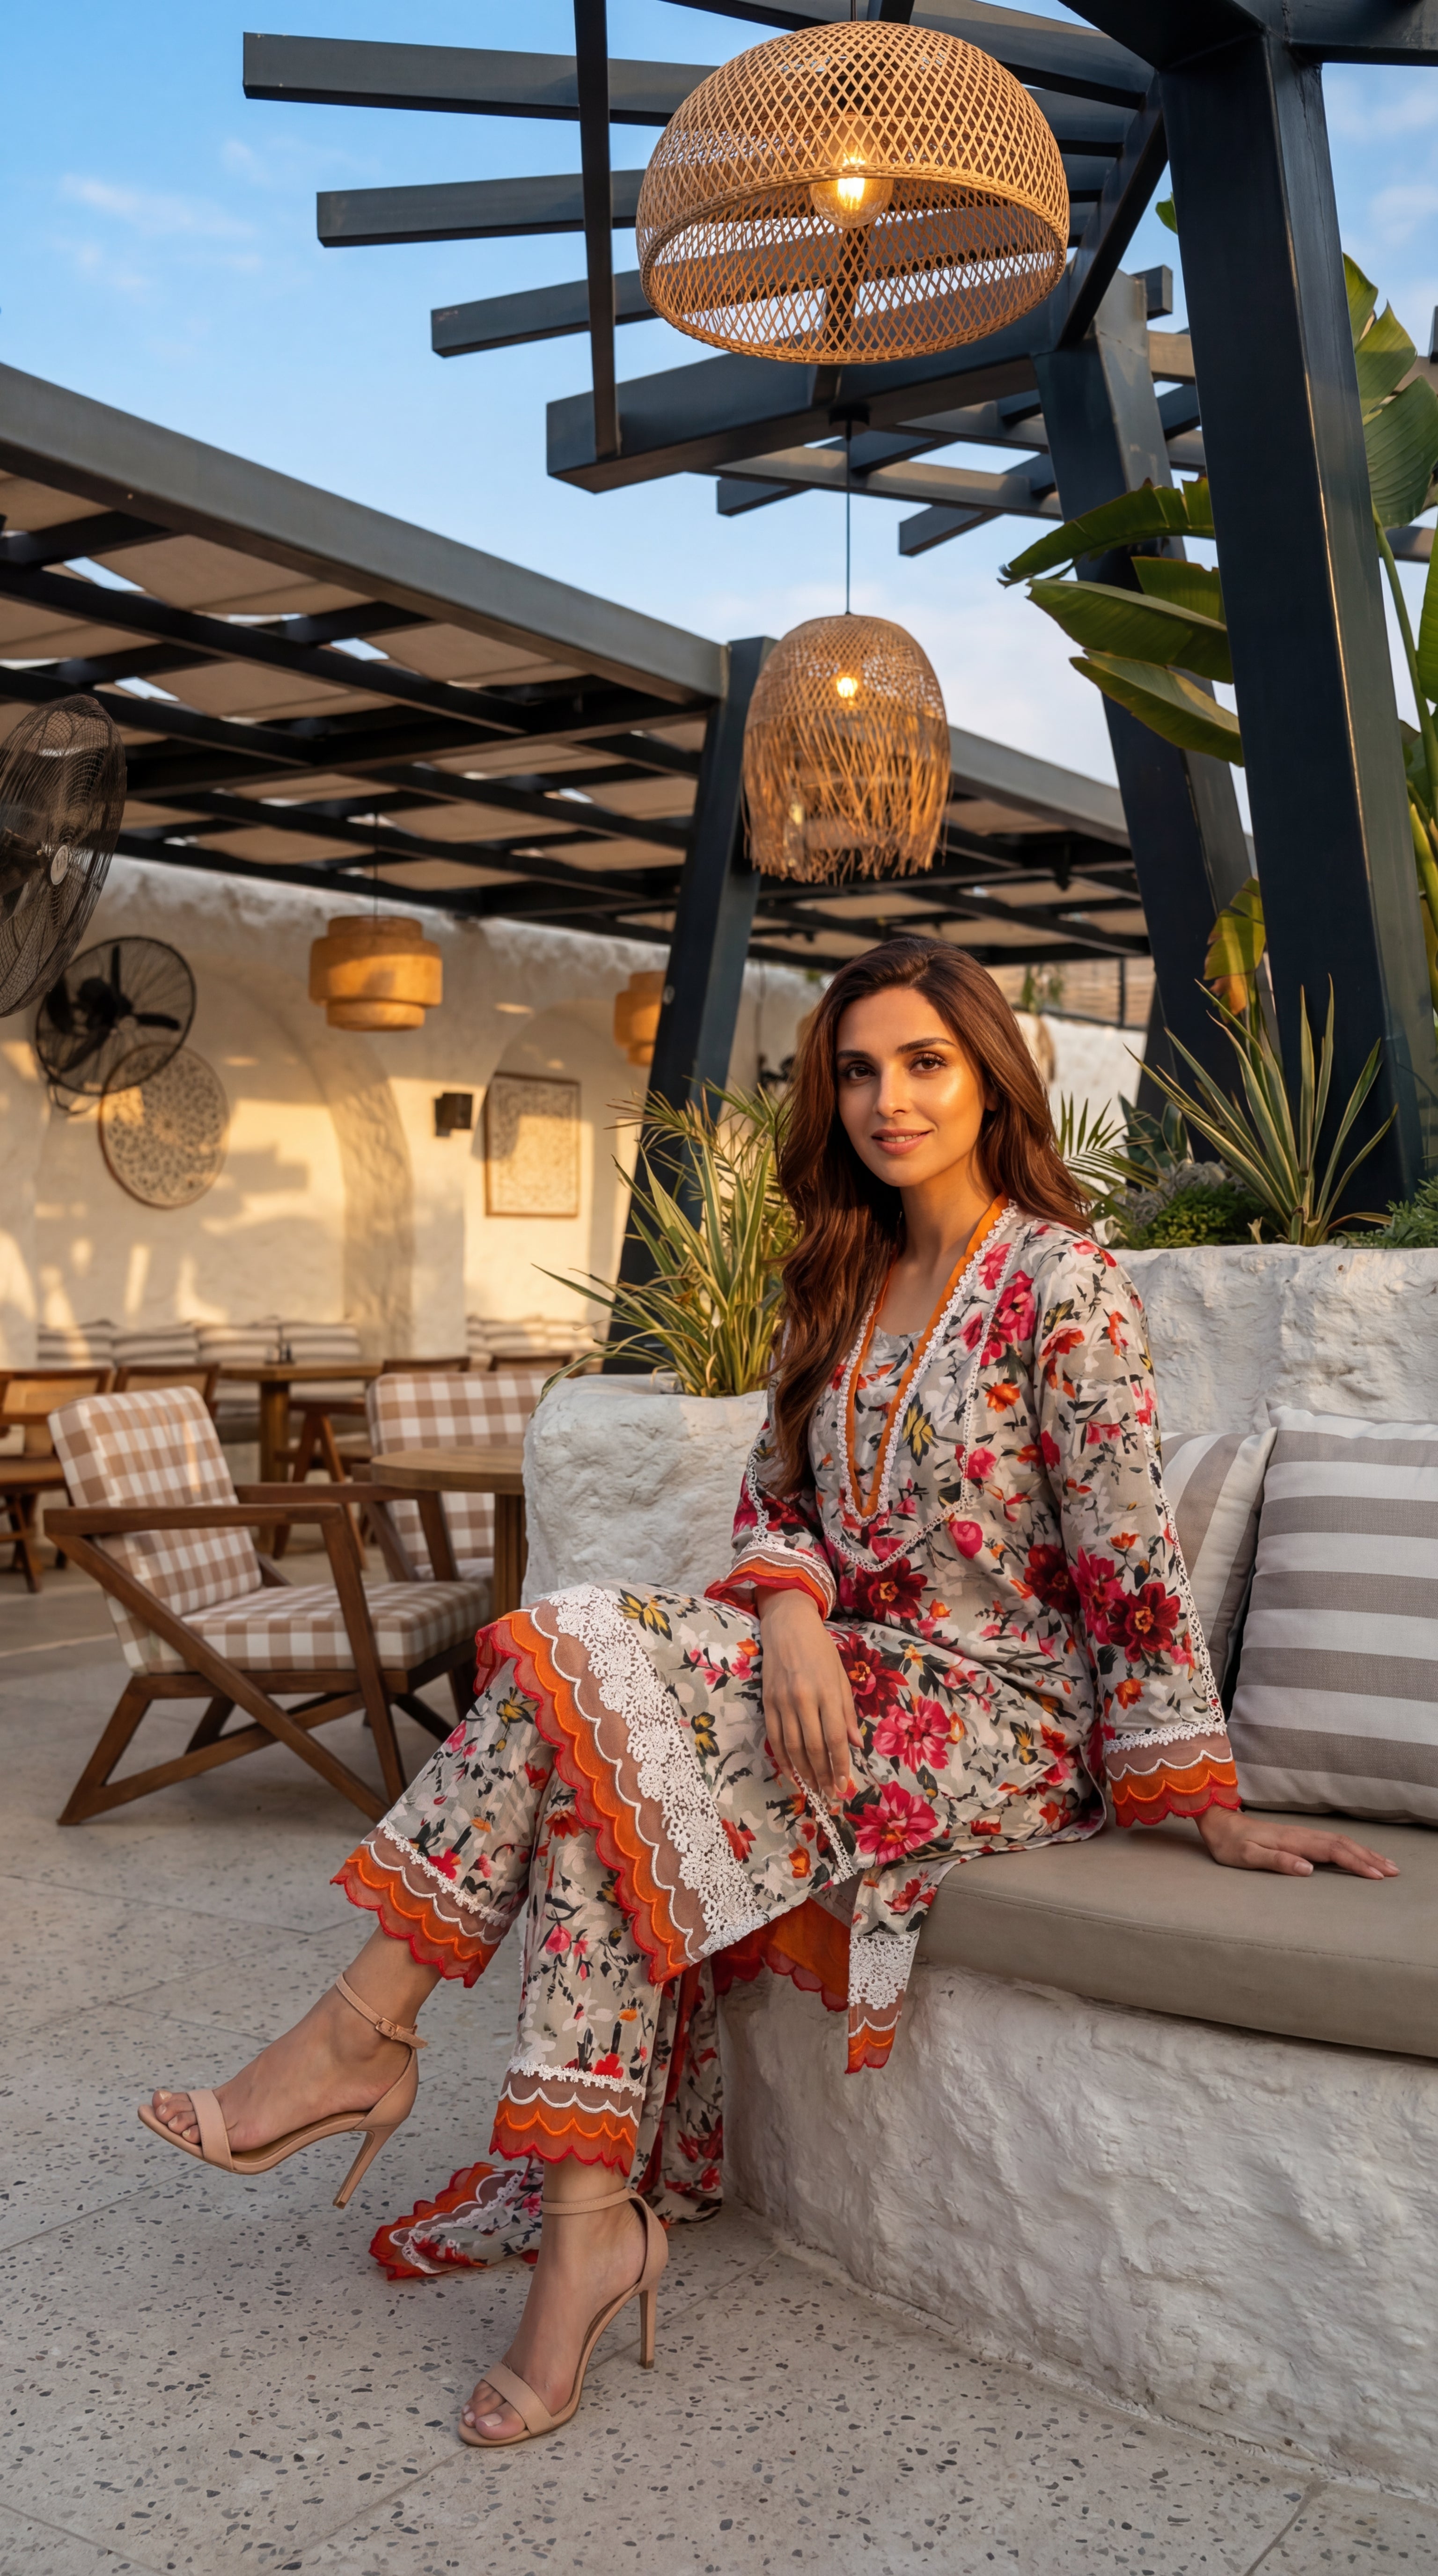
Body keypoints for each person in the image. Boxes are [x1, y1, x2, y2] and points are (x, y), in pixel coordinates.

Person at [141, 935, 1397, 2449]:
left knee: (577, 1645)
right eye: (859, 1071)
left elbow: (1128, 1558)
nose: (889, 1100)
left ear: (991, 1077)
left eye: (924, 1063)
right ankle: (586, 2240)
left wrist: (1208, 1803)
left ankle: (361, 2034)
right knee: (601, 1789)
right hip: (839, 1678)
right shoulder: (839, 1277)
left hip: (999, 1719)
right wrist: (791, 1607)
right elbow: (775, 1502)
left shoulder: (1064, 1285)